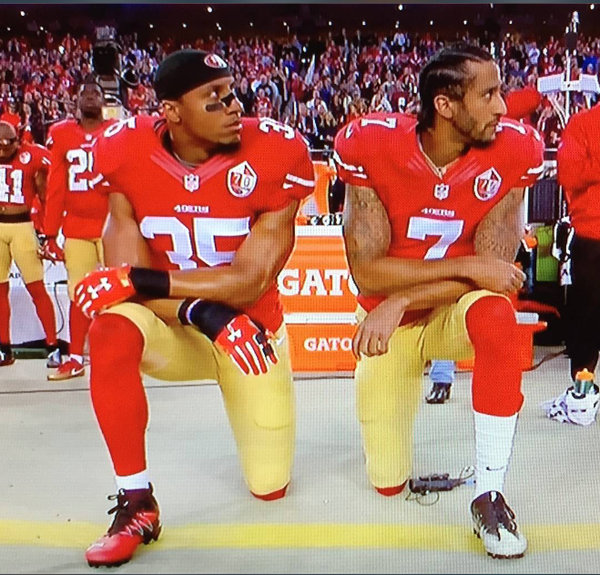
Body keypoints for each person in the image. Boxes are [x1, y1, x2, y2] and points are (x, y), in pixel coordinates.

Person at [72, 50, 315, 567]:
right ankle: (137, 501)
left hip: (250, 334)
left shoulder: (274, 152)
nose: (235, 106)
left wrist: (154, 285)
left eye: (232, 93)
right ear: (172, 111)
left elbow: (248, 282)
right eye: (215, 98)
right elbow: (128, 289)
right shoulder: (125, 151)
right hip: (181, 329)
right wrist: (204, 313)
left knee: (269, 486)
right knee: (111, 327)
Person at [334, 43, 544, 559]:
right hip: (389, 325)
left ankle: (489, 494)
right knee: (387, 481)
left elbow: (494, 276)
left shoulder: (514, 151)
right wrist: (465, 267)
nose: (503, 107)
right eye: (488, 94)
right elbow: (368, 270)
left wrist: (404, 296)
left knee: (496, 315)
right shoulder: (372, 144)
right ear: (445, 105)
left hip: (449, 310)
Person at [39, 79, 116, 381]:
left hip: (112, 225)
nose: (91, 98)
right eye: (86, 94)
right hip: (77, 226)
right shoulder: (61, 133)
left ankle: (118, 355)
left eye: (96, 94)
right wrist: (49, 233)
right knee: (79, 293)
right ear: (76, 101)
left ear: (104, 101)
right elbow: (56, 185)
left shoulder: (117, 131)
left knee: (118, 292)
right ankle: (74, 357)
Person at [542, 100, 600, 425]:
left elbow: (572, 174)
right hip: (592, 236)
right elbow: (569, 175)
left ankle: (581, 399)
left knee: (586, 321)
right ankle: (582, 397)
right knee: (586, 320)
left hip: (592, 235)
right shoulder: (583, 123)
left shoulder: (582, 124)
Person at [0, 121, 60, 367]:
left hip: (23, 226)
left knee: (36, 289)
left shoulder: (32, 155)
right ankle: (4, 348)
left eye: (7, 146)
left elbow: (50, 188)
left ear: (17, 141)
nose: (2, 151)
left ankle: (53, 346)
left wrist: (48, 232)